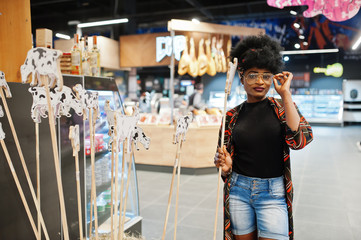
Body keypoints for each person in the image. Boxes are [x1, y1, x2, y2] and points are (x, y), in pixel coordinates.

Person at [214, 34, 313, 240]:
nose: (260, 81)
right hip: (239, 190)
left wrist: (285, 94)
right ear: (241, 77)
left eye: (266, 75)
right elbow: (225, 160)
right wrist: (226, 165)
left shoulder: (280, 107)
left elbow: (299, 141)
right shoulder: (231, 116)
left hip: (273, 193)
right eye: (252, 75)